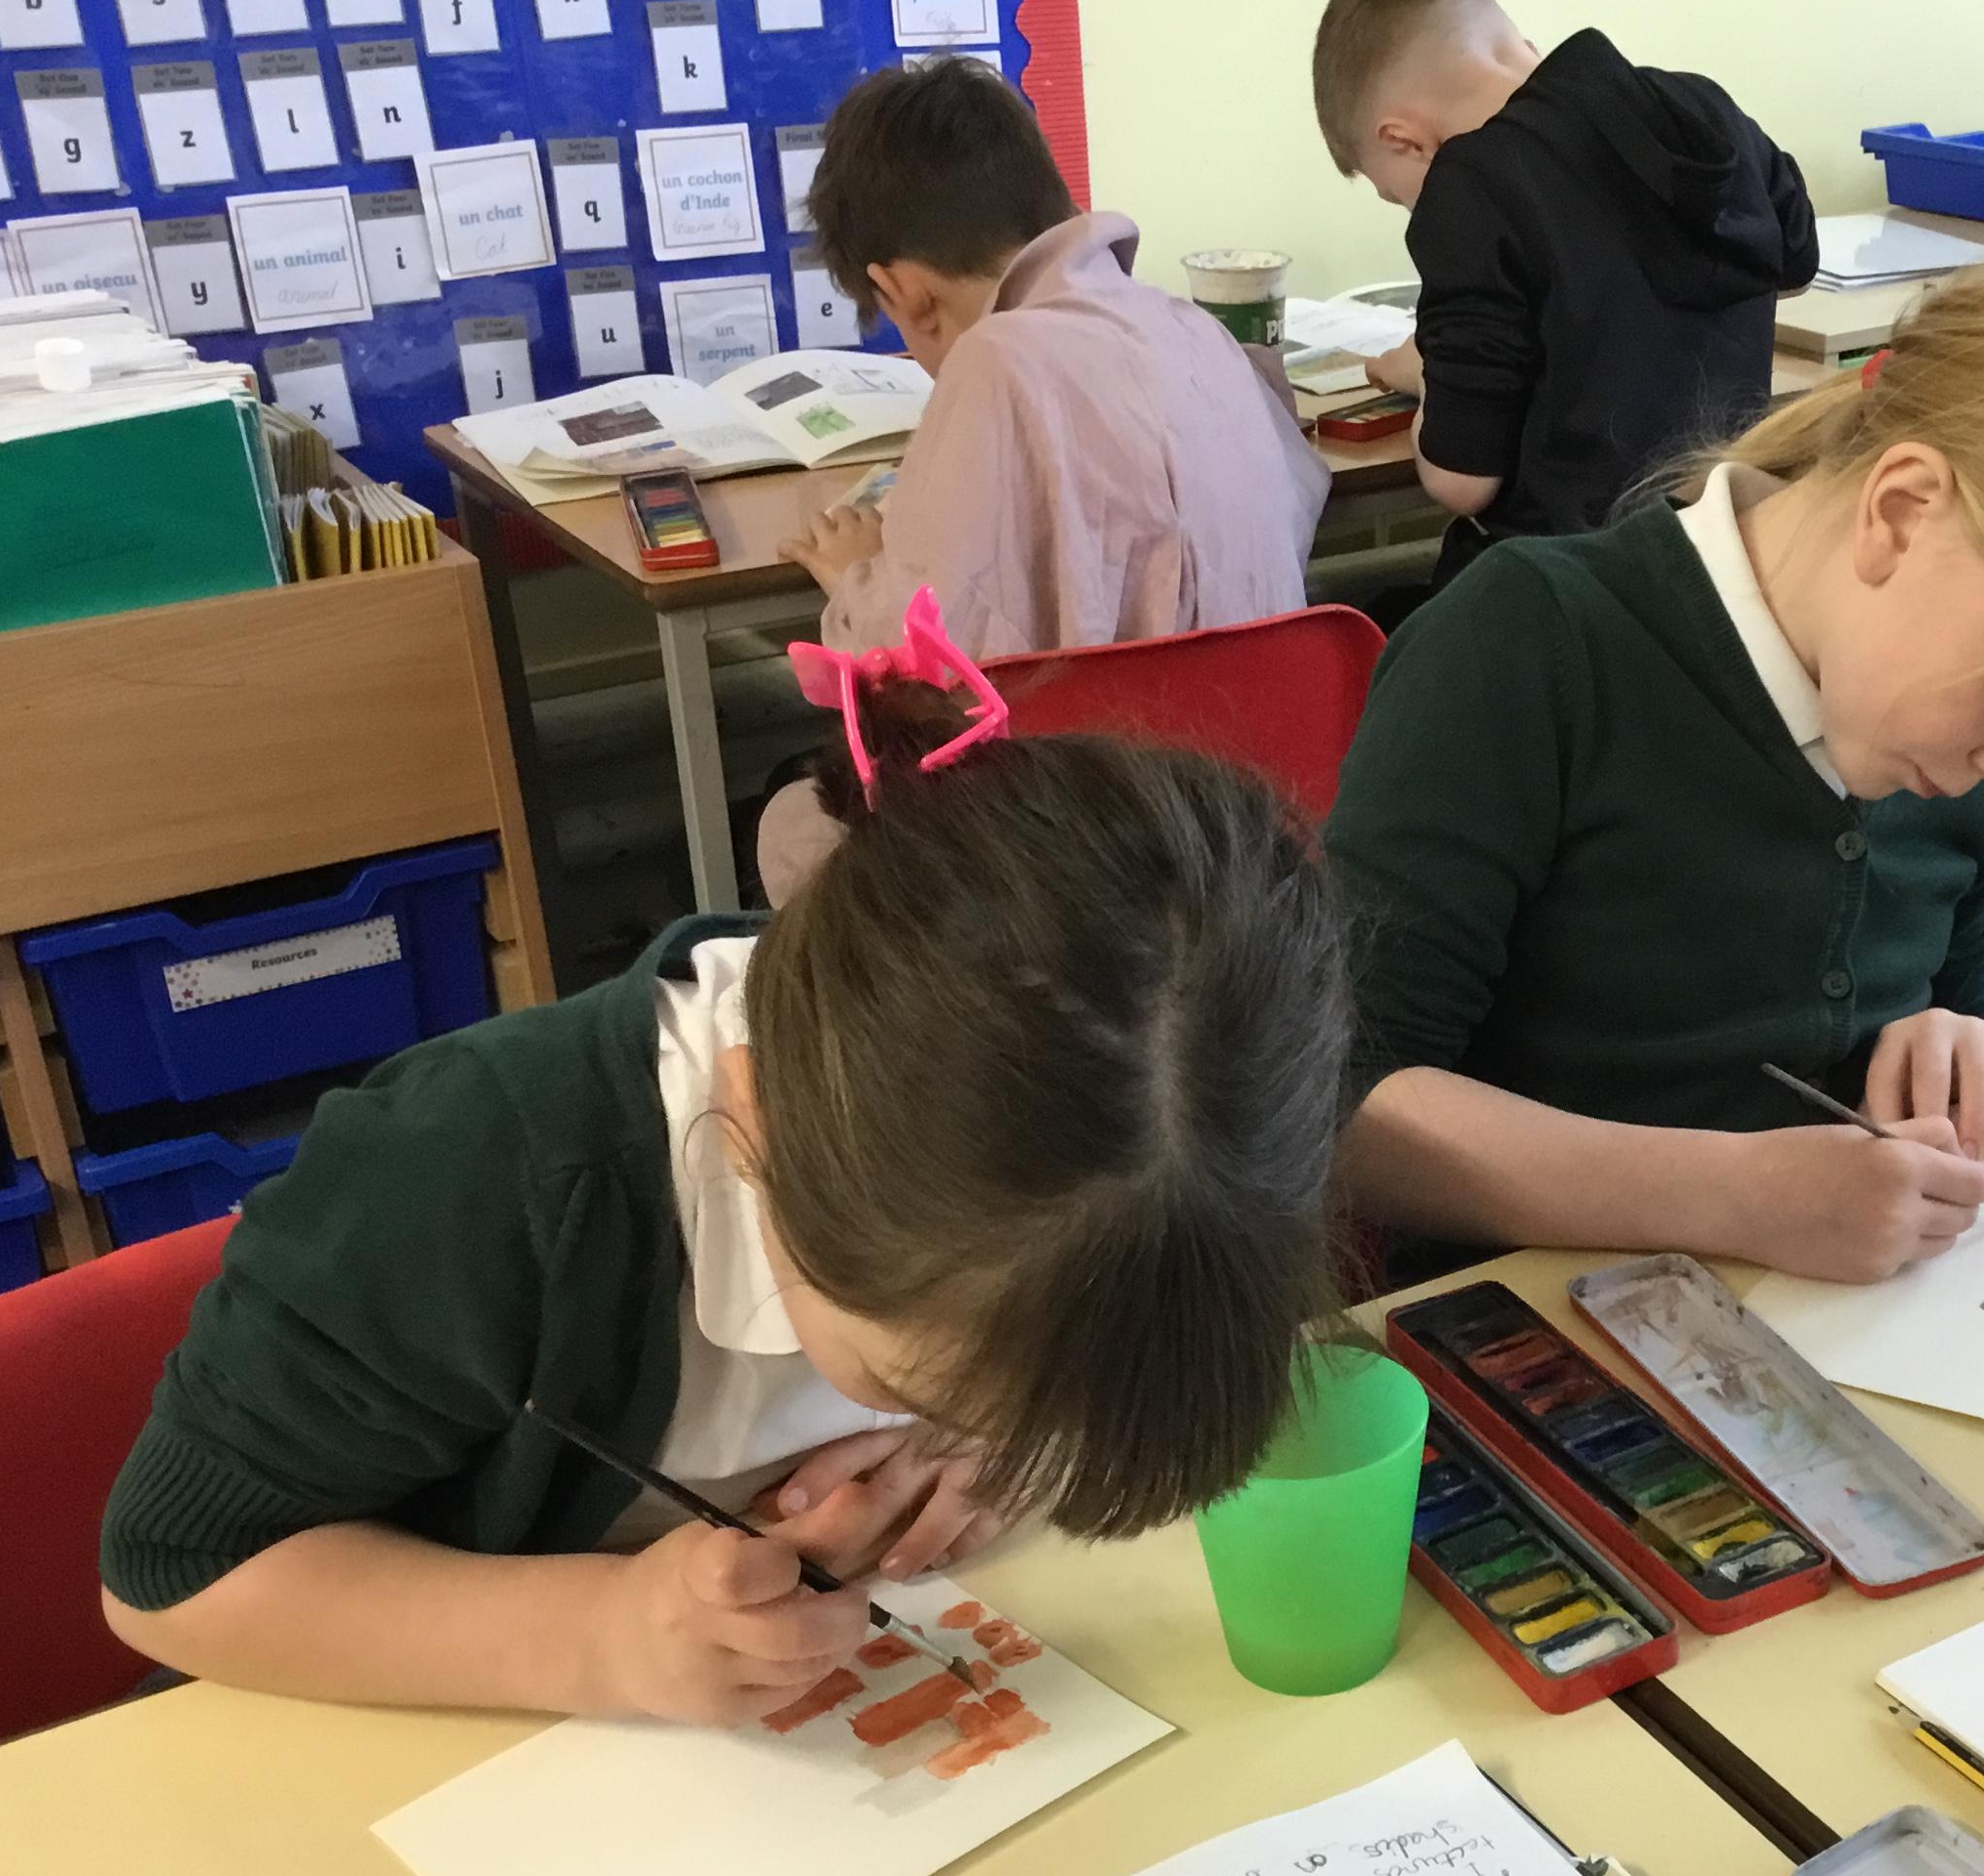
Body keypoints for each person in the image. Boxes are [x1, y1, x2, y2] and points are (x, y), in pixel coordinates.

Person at [102, 593, 1355, 1727]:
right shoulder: (468, 1181)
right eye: (914, 1384)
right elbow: (173, 1574)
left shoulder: (1177, 1114)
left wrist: (992, 1444)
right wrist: (598, 1641)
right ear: (750, 1125)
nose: (990, 1426)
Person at [1323, 256, 1984, 1285]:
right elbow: (1336, 1112)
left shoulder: (1967, 763)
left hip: (1835, 1317)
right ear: (1901, 513)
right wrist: (1737, 1197)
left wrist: (1941, 1046)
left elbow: (1924, 1031)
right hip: (1533, 1317)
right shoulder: (1527, 647)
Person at [761, 57, 1330, 901]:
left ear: (905, 293)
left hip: (1086, 861)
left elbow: (919, 671)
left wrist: (854, 581)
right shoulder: (1196, 330)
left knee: (792, 826)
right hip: (1260, 831)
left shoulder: (993, 362)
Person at [1310, 0, 1815, 590]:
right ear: (1522, 47)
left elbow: (1460, 482)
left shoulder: (1469, 184)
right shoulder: (1702, 106)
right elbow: (1794, 268)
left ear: (1406, 140)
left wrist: (1428, 375)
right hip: (1729, 568)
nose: (1413, 206)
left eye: (1397, 195)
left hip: (1572, 588)